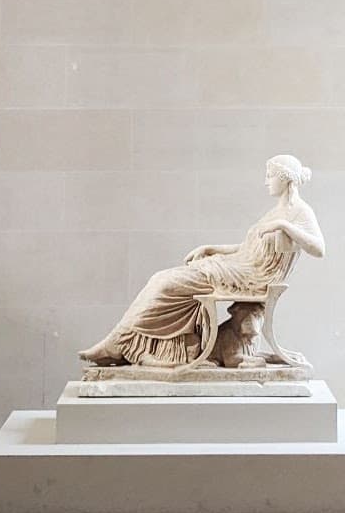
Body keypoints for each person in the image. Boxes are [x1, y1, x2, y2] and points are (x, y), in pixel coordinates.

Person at [80, 153, 324, 369]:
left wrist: (284, 225)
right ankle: (142, 346)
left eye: (270, 175)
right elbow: (247, 248)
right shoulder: (274, 212)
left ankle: (120, 343)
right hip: (240, 267)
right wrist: (212, 248)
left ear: (285, 178)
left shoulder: (299, 212)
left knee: (166, 284)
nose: (266, 181)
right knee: (163, 279)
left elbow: (318, 248)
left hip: (253, 278)